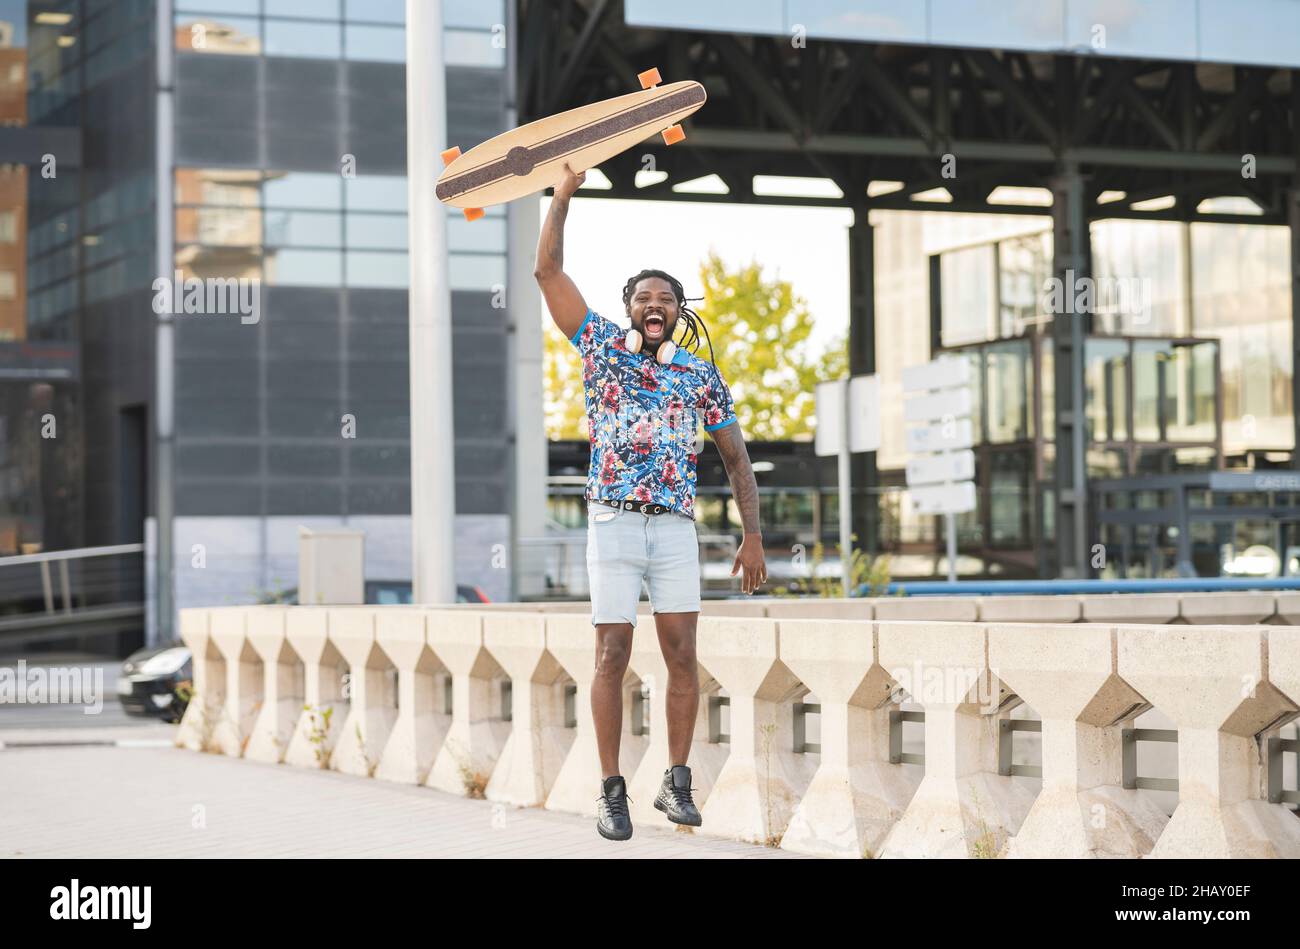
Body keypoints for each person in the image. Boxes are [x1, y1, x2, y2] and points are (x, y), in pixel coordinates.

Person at [534, 163, 767, 841]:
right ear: (629, 309)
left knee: (682, 653)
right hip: (612, 520)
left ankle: (676, 780)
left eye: (665, 297)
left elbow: (736, 458)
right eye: (643, 297)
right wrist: (563, 197)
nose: (654, 305)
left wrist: (752, 536)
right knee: (612, 651)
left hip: (674, 527)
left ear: (679, 310)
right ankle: (611, 790)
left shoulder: (699, 373)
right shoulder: (603, 347)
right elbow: (548, 275)